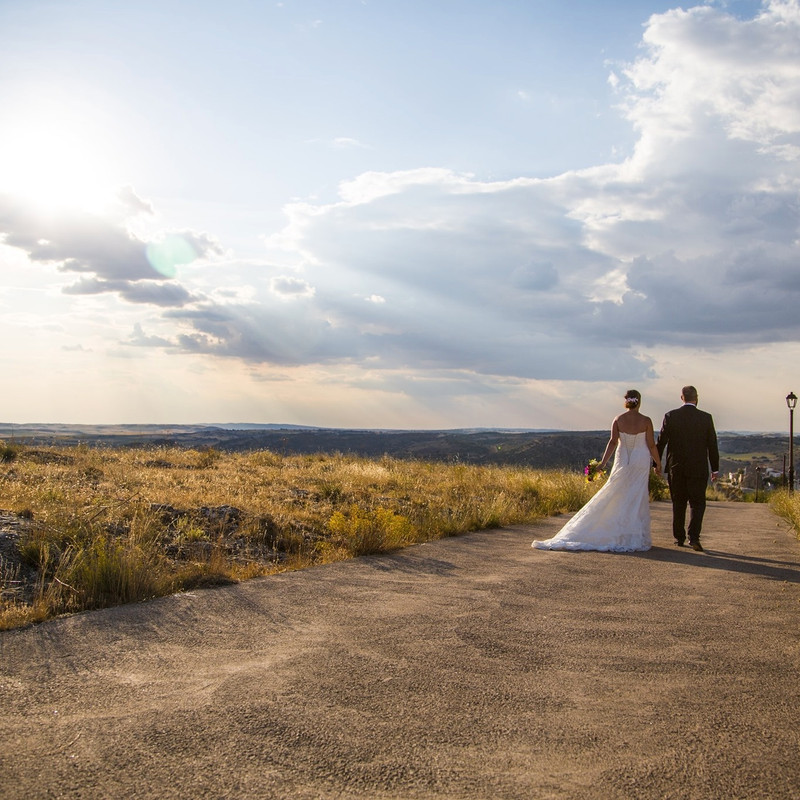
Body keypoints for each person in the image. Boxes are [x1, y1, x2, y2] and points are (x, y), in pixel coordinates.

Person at [532, 390, 662, 552]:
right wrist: (658, 464)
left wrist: (602, 463)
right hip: (640, 461)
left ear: (626, 402)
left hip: (623, 459)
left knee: (617, 492)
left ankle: (617, 531)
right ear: (639, 402)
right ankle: (630, 534)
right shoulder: (646, 420)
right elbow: (651, 445)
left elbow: (613, 442)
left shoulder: (618, 419)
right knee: (636, 496)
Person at [657, 385, 719, 552]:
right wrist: (715, 468)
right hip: (698, 468)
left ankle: (679, 538)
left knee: (678, 503)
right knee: (698, 504)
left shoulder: (671, 416)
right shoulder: (706, 418)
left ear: (682, 397)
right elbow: (712, 445)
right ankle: (694, 537)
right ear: (696, 398)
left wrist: (656, 463)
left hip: (676, 468)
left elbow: (661, 441)